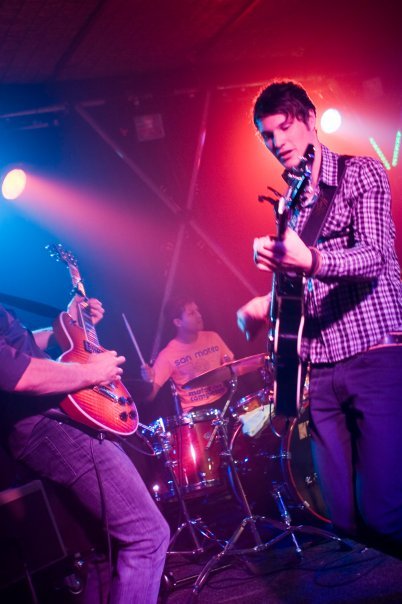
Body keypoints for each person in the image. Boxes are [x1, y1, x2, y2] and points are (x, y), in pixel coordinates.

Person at [237, 80, 402, 555]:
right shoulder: (290, 202)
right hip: (323, 373)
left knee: (386, 514)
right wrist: (265, 303)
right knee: (343, 520)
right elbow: (302, 288)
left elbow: (375, 256)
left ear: (310, 119)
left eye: (285, 128)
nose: (278, 142)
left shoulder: (360, 172)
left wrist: (308, 259)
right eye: (268, 135)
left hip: (375, 355)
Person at [0, 295, 170, 603]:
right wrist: (91, 372)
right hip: (50, 424)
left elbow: (17, 346)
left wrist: (66, 328)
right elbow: (15, 373)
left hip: (45, 425)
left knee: (104, 548)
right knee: (147, 536)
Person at [141, 297, 234, 414]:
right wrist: (148, 382)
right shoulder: (167, 354)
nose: (199, 315)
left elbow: (235, 368)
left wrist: (231, 367)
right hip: (196, 413)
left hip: (225, 401)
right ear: (178, 322)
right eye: (192, 313)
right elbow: (149, 397)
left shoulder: (213, 337)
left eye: (197, 310)